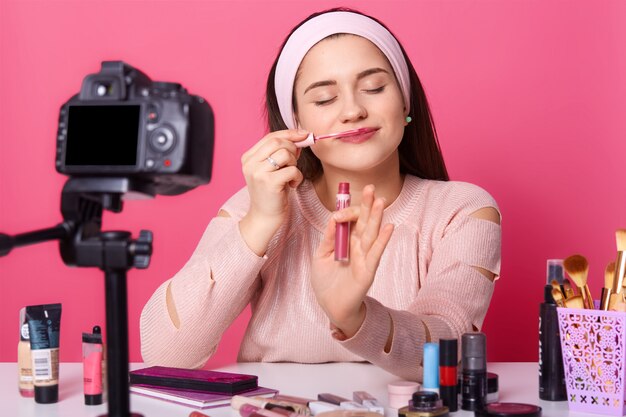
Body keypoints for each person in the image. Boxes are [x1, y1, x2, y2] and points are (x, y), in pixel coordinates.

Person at [140, 8, 501, 381]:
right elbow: (165, 353)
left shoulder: (463, 210)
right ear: (296, 123)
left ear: (405, 102)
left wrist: (354, 317)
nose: (353, 111)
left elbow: (448, 350)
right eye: (325, 98)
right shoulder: (258, 206)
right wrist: (260, 223)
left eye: (375, 88)